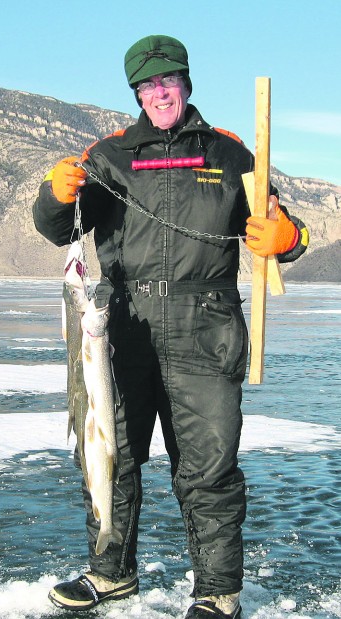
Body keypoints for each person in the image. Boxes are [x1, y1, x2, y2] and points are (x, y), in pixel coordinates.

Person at [33, 35, 308, 619]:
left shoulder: (231, 154)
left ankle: (216, 593)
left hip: (205, 327)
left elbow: (286, 230)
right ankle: (111, 575)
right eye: (146, 86)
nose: (159, 94)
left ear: (187, 82)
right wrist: (53, 197)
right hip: (123, 324)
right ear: (136, 92)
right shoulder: (108, 155)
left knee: (208, 467)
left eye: (168, 81)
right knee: (110, 453)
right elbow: (61, 229)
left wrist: (288, 238)